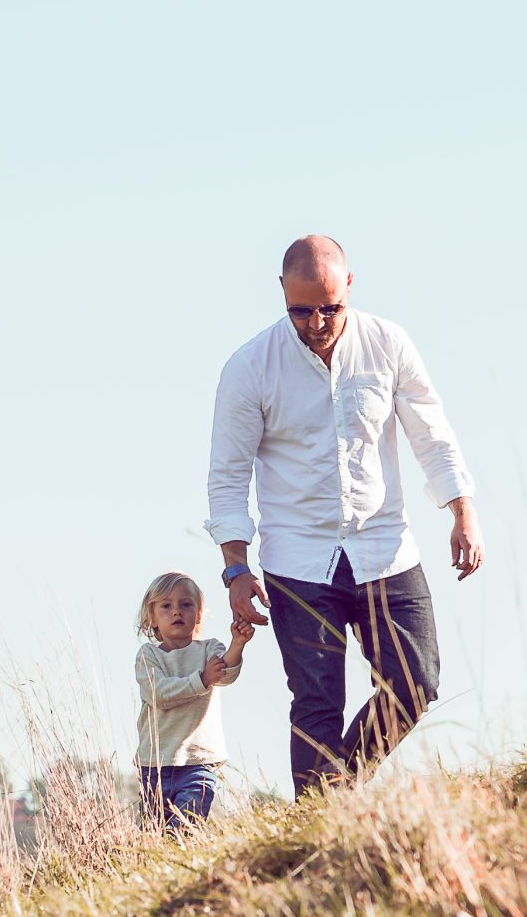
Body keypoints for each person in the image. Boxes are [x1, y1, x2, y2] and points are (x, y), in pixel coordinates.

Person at [205, 235, 483, 797]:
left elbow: (431, 433)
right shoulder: (249, 367)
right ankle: (315, 825)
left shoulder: (388, 344)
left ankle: (336, 789)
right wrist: (235, 569)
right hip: (298, 559)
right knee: (316, 705)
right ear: (282, 293)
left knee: (416, 683)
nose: (316, 321)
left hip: (385, 547)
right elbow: (228, 476)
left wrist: (463, 511)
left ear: (349, 286)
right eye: (301, 309)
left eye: (329, 307)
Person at [133, 571, 253, 828]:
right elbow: (160, 694)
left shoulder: (209, 649)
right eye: (166, 606)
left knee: (185, 827)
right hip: (154, 764)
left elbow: (226, 673)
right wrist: (201, 679)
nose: (176, 612)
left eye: (186, 605)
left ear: (198, 614)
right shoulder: (148, 655)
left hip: (198, 762)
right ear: (152, 617)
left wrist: (238, 644)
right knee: (154, 836)